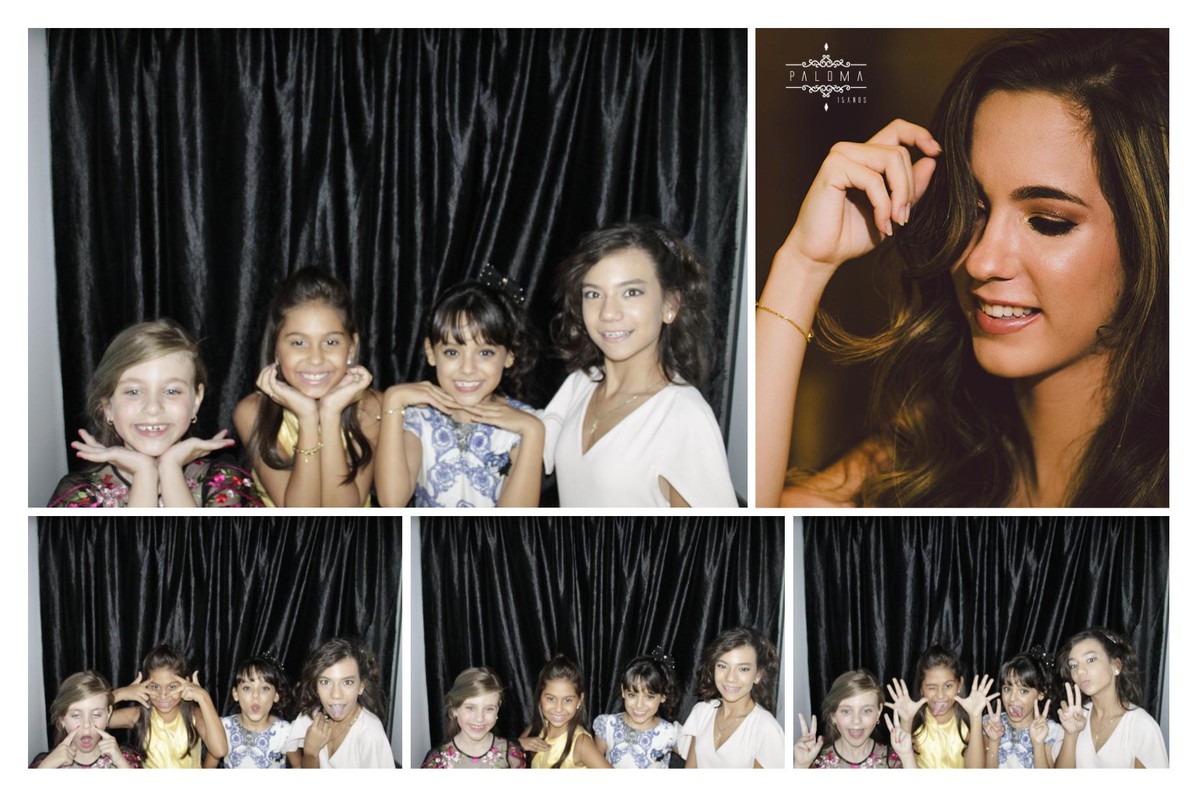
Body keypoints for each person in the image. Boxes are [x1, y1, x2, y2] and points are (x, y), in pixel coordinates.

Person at [756, 30, 1168, 507]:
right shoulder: (908, 471)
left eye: (1047, 222)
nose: (981, 259)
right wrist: (803, 264)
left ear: (1149, 241)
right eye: (972, 210)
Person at [542, 220, 738, 507]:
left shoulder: (685, 417)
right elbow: (531, 443)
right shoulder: (581, 382)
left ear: (670, 305)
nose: (608, 313)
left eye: (631, 292)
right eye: (593, 294)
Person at [49, 319, 259, 507]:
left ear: (196, 400)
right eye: (133, 392)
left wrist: (171, 468)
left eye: (171, 391)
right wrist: (144, 473)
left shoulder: (224, 483)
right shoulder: (79, 495)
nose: (153, 407)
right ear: (108, 407)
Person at [377, 282, 543, 507]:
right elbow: (391, 501)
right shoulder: (418, 417)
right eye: (452, 352)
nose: (467, 368)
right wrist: (392, 400)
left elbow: (514, 521)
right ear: (431, 352)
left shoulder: (524, 423)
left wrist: (534, 432)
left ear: (509, 355)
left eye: (485, 353)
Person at [234, 267, 380, 506]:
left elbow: (345, 512)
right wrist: (307, 417)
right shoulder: (251, 412)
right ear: (276, 349)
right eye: (298, 343)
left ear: (352, 348)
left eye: (330, 342)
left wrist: (331, 414)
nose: (315, 358)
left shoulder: (371, 407)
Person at [1055, 627, 1168, 768]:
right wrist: (1070, 734)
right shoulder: (1075, 716)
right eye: (1073, 665)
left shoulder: (1141, 725)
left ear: (1116, 666)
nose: (1080, 671)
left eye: (1090, 659)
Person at [108, 643, 228, 768]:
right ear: (145, 685)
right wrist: (119, 694)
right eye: (155, 687)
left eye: (172, 686)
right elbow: (95, 721)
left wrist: (203, 697)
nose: (163, 695)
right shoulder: (137, 715)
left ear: (186, 683)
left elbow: (220, 751)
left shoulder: (195, 715)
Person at [681, 626, 784, 768]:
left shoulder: (766, 728)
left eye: (743, 669)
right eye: (722, 666)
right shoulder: (701, 712)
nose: (730, 678)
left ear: (758, 675)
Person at [284, 636, 394, 768]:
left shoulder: (370, 736)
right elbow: (292, 751)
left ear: (361, 686)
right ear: (315, 686)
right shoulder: (313, 716)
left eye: (347, 682)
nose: (336, 695)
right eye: (325, 682)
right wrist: (310, 753)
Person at [885, 644, 996, 768]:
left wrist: (976, 718)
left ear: (959, 685)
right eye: (932, 687)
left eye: (948, 686)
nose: (940, 695)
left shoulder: (967, 723)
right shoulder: (915, 723)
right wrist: (906, 722)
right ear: (921, 689)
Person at [794, 669, 915, 769]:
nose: (856, 720)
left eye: (866, 711)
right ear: (833, 715)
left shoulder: (894, 761)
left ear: (878, 713)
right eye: (846, 711)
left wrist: (907, 756)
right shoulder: (816, 763)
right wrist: (800, 766)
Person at [31, 671, 140, 768]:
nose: (87, 724)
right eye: (75, 715)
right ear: (62, 719)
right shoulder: (44, 764)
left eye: (96, 714)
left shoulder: (127, 760)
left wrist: (121, 763)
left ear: (108, 714)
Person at [421, 667, 526, 768]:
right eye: (470, 708)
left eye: (489, 709)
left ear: (498, 709)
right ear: (454, 709)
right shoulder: (437, 760)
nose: (479, 718)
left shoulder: (512, 754)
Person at [593, 651, 682, 768]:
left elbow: (698, 758)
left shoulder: (670, 733)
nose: (639, 705)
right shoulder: (607, 726)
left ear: (663, 696)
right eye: (632, 695)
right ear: (623, 691)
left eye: (649, 697)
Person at [520, 655, 610, 768]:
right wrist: (518, 743)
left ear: (579, 700)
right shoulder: (536, 729)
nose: (558, 708)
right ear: (540, 697)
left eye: (567, 700)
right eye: (551, 698)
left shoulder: (581, 743)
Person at [205, 653, 292, 769]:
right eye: (247, 688)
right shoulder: (221, 728)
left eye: (264, 688)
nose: (255, 695)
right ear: (235, 694)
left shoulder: (286, 732)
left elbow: (298, 766)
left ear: (276, 695)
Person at [981, 649, 1063, 768]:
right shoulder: (989, 724)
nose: (1012, 698)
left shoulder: (1051, 731)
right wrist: (994, 741)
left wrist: (1038, 744)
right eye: (1007, 689)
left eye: (1023, 691)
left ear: (1041, 693)